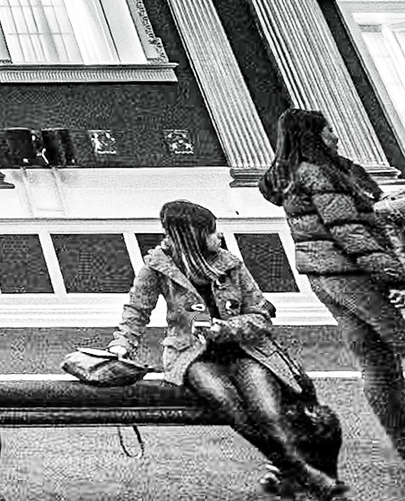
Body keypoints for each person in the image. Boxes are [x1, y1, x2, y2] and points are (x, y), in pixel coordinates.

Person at [110, 200, 341, 500]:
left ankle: (291, 470)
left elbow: (260, 315)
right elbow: (136, 311)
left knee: (267, 412)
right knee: (226, 401)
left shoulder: (231, 263)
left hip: (244, 350)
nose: (218, 236)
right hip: (192, 354)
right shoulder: (156, 267)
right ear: (193, 236)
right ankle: (301, 471)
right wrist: (122, 344)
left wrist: (227, 329)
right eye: (212, 231)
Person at [259, 107, 405, 462]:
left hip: (325, 278)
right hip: (352, 275)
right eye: (329, 131)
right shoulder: (319, 173)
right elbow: (348, 230)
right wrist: (393, 272)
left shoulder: (291, 175)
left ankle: (403, 442)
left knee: (374, 359)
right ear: (313, 136)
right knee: (395, 345)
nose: (335, 137)